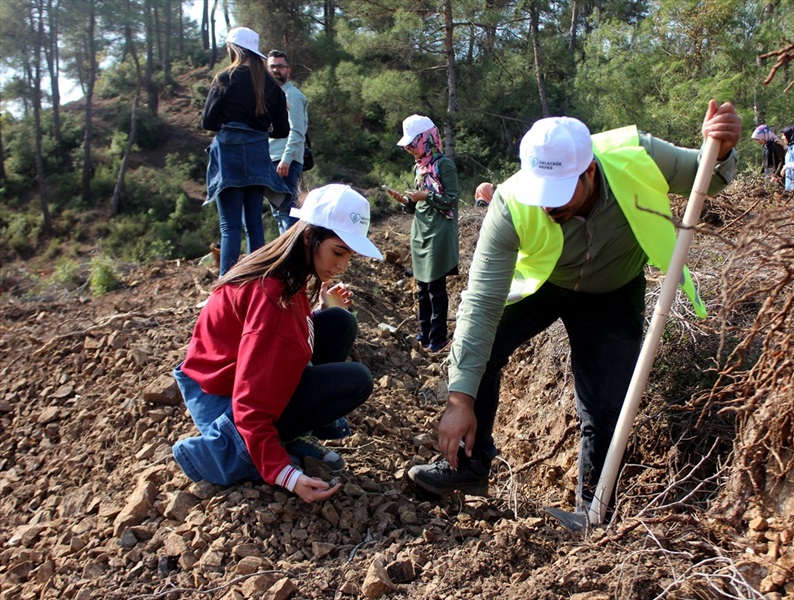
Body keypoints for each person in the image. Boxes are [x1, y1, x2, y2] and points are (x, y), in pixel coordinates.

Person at [407, 100, 742, 515]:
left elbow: (705, 173)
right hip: (544, 283)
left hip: (612, 289)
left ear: (590, 171)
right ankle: (471, 467)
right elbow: (480, 303)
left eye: (560, 195)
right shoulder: (510, 204)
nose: (549, 208)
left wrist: (722, 146)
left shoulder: (636, 154)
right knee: (484, 350)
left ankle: (594, 508)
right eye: (542, 196)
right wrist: (459, 402)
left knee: (605, 402)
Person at [172, 184, 383, 503]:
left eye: (348, 256)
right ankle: (267, 441)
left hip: (224, 378)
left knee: (339, 322)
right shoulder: (275, 297)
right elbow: (250, 400)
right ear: (310, 237)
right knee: (356, 381)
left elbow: (283, 337)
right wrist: (287, 474)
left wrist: (323, 311)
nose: (342, 266)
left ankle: (295, 431)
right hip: (221, 399)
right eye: (338, 252)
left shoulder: (286, 270)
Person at [201, 27, 292, 276]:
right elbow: (282, 130)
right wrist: (259, 131)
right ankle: (253, 279)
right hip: (256, 155)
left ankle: (226, 282)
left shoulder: (224, 78)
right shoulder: (272, 86)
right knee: (254, 224)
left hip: (228, 154)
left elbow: (207, 122)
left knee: (229, 225)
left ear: (233, 49)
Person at [385, 114, 460, 353]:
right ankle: (424, 333)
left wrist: (426, 196)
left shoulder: (443, 164)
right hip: (420, 232)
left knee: (435, 288)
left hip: (438, 232)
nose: (409, 149)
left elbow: (452, 198)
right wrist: (405, 200)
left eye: (412, 143)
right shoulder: (419, 167)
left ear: (427, 138)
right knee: (421, 287)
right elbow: (416, 203)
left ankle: (438, 337)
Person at [266, 50, 309, 235]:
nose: (276, 70)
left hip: (285, 163)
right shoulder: (273, 96)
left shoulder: (292, 95)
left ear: (288, 70)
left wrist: (287, 158)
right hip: (273, 160)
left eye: (280, 66)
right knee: (279, 214)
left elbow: (298, 131)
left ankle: (292, 258)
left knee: (288, 214)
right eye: (272, 66)